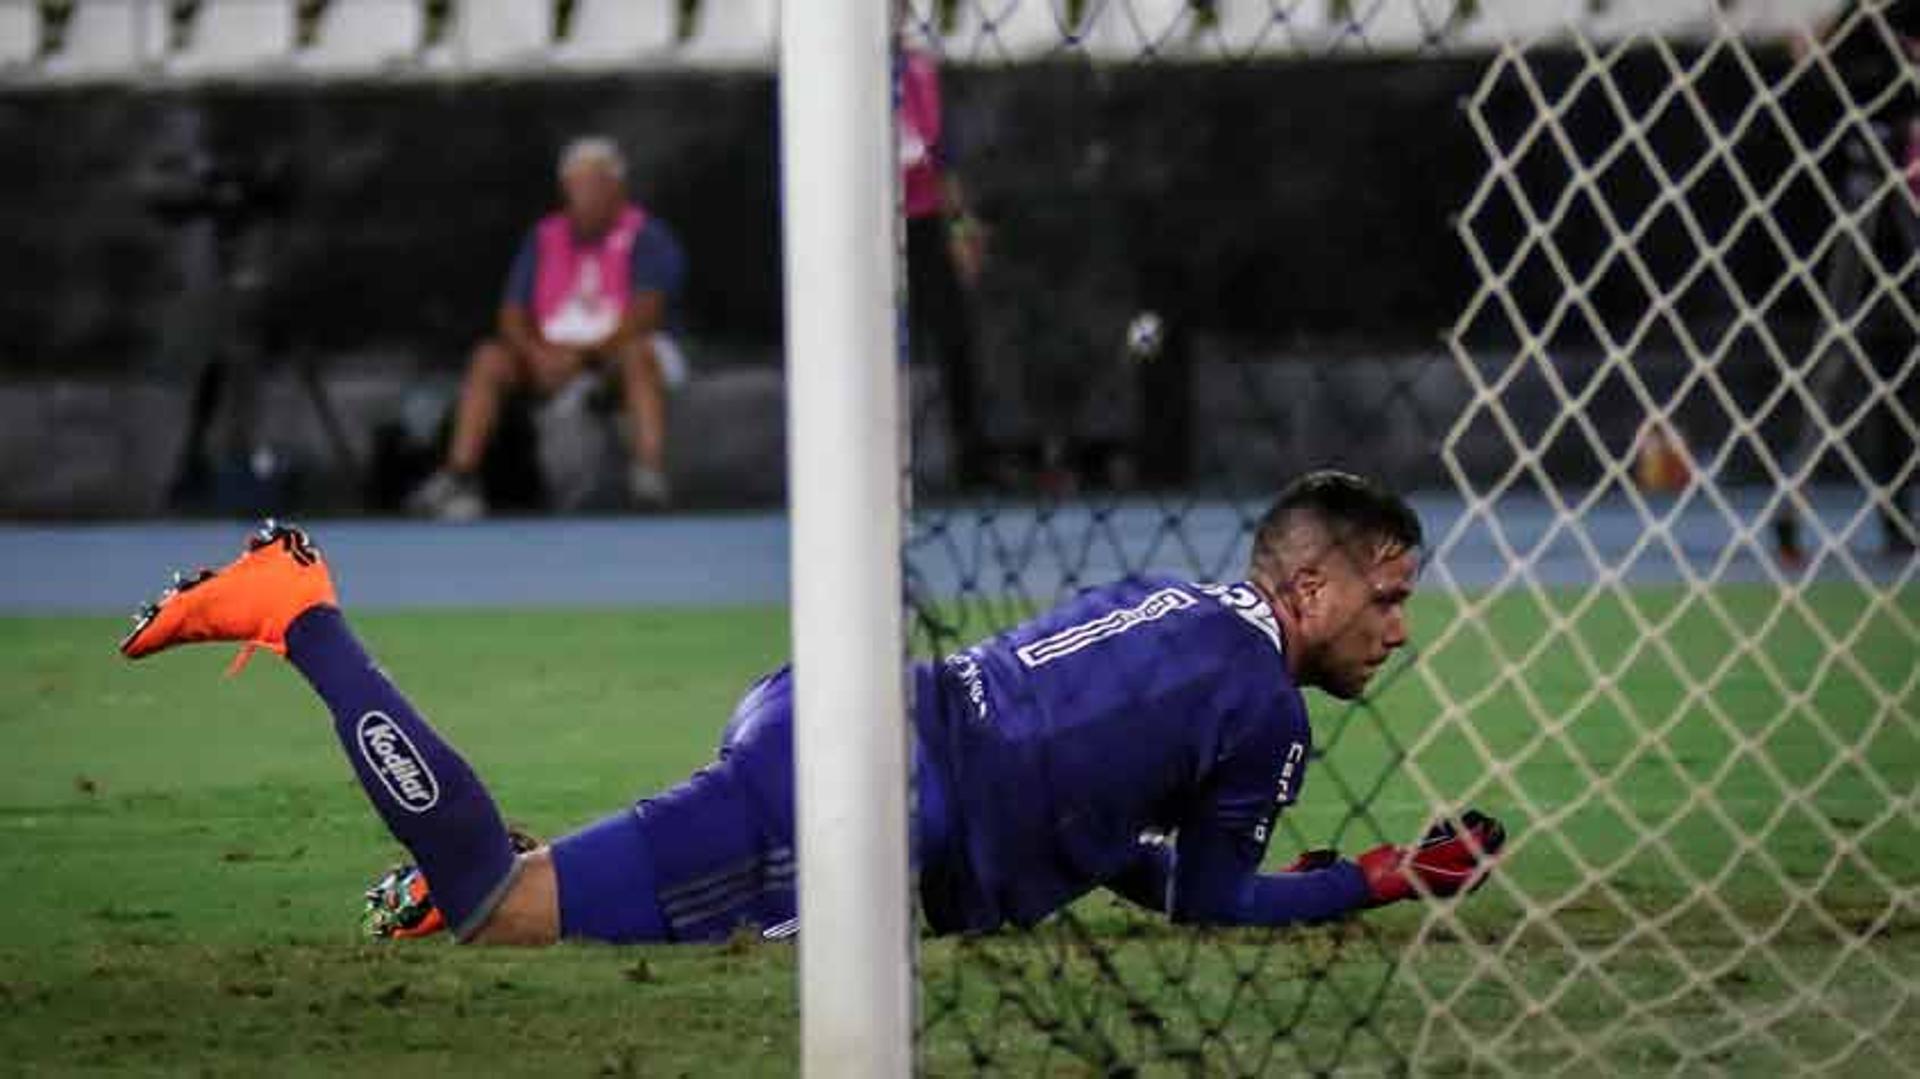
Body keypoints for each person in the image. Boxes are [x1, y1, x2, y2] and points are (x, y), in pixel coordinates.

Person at [119, 471, 1504, 945]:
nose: (1401, 623)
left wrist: (1302, 877)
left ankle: (494, 873)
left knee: (613, 892)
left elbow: (1101, 837)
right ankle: (299, 608)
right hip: (867, 807)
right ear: (1310, 584)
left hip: (846, 731)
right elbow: (1207, 901)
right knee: (503, 904)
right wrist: (1383, 877)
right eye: (1386, 593)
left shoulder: (1175, 600)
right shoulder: (1265, 712)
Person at [409, 136, 687, 520]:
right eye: (575, 184)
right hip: (550, 357)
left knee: (639, 356)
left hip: (616, 355)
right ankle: (460, 475)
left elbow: (646, 314)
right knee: (490, 358)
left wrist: (585, 356)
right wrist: (535, 354)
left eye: (593, 183)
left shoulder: (648, 236)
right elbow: (512, 313)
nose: (583, 194)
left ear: (616, 186)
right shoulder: (543, 238)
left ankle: (648, 474)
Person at [1773, 0, 1920, 563]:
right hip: (1866, 195)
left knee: (1889, 371)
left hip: (1899, 192)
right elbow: (1811, 72)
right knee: (1834, 360)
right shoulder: (1856, 28)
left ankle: (1891, 515)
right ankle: (1791, 513)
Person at [899, 35, 992, 490]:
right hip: (861, 231)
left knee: (953, 338)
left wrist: (959, 232)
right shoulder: (835, 61)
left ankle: (970, 459)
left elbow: (944, 166)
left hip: (923, 224)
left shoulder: (920, 72)